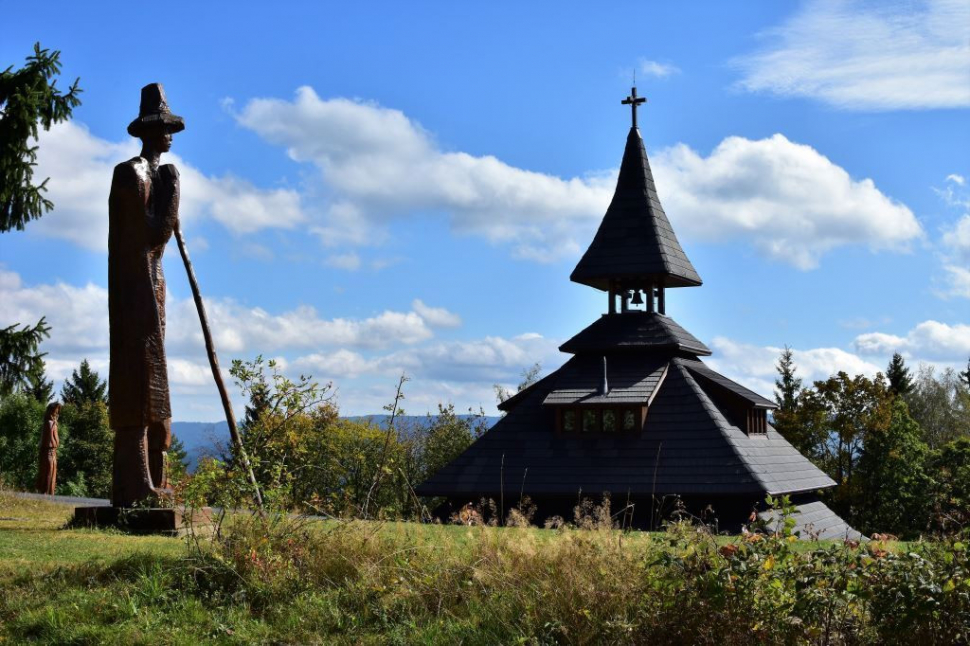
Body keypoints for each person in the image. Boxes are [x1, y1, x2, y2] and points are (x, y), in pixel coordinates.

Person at [108, 83, 183, 506]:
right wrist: (172, 193)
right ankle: (136, 483)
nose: (169, 135)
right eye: (164, 127)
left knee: (155, 378)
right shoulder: (132, 173)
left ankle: (155, 476)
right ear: (148, 132)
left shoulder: (153, 173)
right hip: (135, 288)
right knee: (138, 377)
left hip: (154, 287)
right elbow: (150, 236)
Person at [36, 402, 61, 495]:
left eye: (57, 412)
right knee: (48, 472)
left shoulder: (53, 423)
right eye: (55, 412)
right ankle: (45, 492)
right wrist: (54, 424)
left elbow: (55, 439)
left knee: (52, 471)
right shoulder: (49, 423)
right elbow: (50, 439)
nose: (56, 414)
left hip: (53, 452)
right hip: (48, 452)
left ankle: (50, 492)